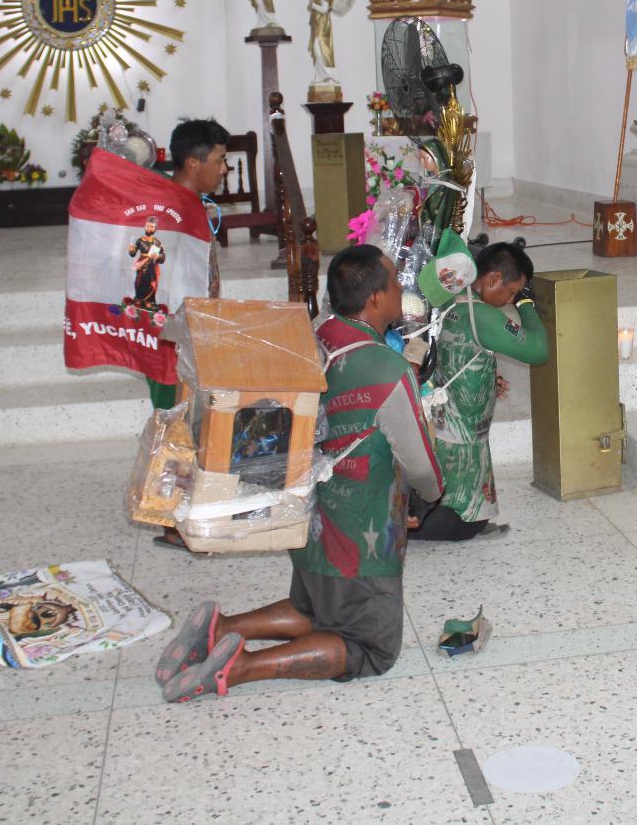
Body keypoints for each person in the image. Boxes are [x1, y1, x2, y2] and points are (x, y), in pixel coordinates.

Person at [156, 246, 444, 700]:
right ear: (374, 300)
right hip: (360, 531)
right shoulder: (386, 367)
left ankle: (222, 627)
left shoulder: (310, 337)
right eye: (393, 286)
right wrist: (428, 497)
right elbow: (422, 464)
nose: (399, 294)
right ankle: (240, 666)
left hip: (303, 516)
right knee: (370, 647)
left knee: (319, 607)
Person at [412, 241, 548, 541]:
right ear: (493, 279)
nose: (509, 300)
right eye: (512, 291)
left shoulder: (453, 297)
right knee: (463, 522)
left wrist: (485, 376)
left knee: (465, 505)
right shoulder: (484, 315)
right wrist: (527, 305)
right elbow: (538, 350)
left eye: (516, 296)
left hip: (448, 421)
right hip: (460, 433)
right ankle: (409, 527)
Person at [146, 117, 229, 412]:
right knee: (173, 424)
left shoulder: (188, 204)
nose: (224, 169)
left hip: (192, 334)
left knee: (191, 424)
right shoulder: (170, 213)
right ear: (193, 163)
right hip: (173, 341)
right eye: (219, 160)